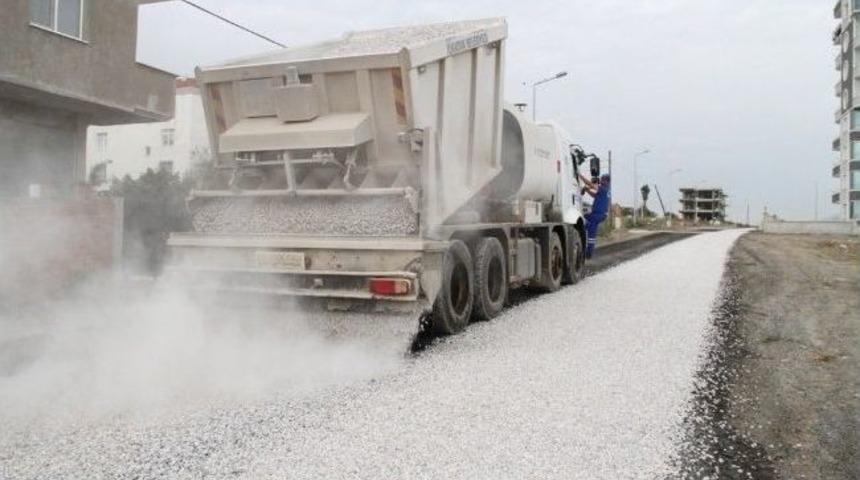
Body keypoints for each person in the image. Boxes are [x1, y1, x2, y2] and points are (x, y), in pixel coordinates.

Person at [579, 173, 611, 259]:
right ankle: (588, 250)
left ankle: (589, 252)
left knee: (588, 226)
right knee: (586, 221)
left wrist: (580, 176)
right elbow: (594, 195)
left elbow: (591, 184)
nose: (601, 181)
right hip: (597, 214)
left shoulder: (604, 189)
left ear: (607, 181)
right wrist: (587, 190)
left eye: (602, 179)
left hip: (598, 214)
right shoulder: (605, 190)